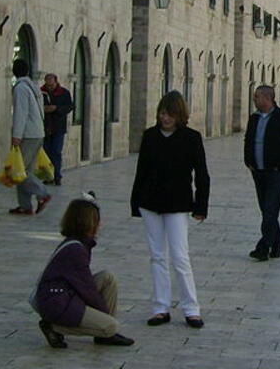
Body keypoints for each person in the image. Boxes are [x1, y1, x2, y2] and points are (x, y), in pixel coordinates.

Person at [131, 91, 209, 328]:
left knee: (179, 256)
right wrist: (135, 202)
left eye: (170, 114)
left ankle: (191, 308)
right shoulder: (150, 136)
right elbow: (141, 171)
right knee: (157, 256)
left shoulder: (191, 138)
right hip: (150, 203)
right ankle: (160, 307)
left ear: (179, 115)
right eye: (163, 113)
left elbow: (202, 174)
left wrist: (201, 206)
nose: (165, 118)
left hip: (177, 204)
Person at [34, 194, 135, 348]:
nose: (100, 224)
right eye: (97, 220)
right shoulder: (76, 250)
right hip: (57, 303)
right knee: (110, 326)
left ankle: (105, 335)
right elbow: (87, 289)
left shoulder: (77, 243)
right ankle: (53, 327)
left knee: (107, 278)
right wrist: (104, 318)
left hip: (63, 295)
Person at [244, 85, 280, 261]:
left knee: (270, 210)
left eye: (256, 97)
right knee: (266, 209)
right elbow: (249, 139)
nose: (254, 99)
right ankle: (277, 241)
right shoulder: (254, 118)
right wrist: (249, 161)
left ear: (267, 98)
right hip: (258, 171)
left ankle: (263, 247)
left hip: (275, 172)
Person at [9, 59, 51, 216]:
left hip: (28, 134)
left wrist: (16, 135)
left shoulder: (20, 88)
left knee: (20, 172)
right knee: (24, 169)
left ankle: (42, 194)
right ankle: (25, 206)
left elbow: (21, 112)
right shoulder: (33, 87)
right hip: (38, 132)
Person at [40, 74, 73, 186]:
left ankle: (57, 176)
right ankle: (49, 176)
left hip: (58, 127)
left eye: (51, 83)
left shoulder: (64, 93)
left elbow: (69, 107)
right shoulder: (41, 93)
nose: (49, 86)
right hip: (45, 127)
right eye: (47, 83)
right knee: (47, 153)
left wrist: (57, 108)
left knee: (56, 152)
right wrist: (44, 109)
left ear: (55, 81)